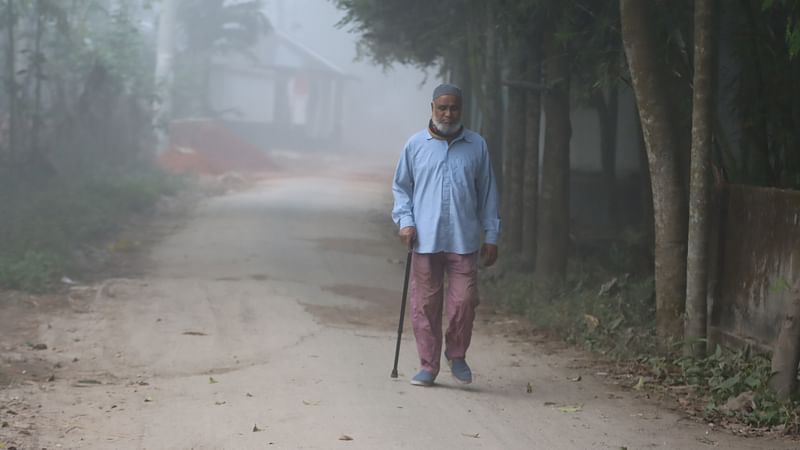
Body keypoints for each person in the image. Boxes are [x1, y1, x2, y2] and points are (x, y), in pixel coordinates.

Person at [391, 83, 501, 386]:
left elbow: (488, 192)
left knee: (464, 301)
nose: (448, 113)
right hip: (424, 241)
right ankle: (428, 365)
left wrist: (491, 235)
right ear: (432, 108)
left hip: (464, 241)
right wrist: (405, 222)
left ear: (461, 110)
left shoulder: (477, 145)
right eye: (442, 107)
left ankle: (457, 354)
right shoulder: (415, 145)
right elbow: (402, 188)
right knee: (425, 305)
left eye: (454, 108)